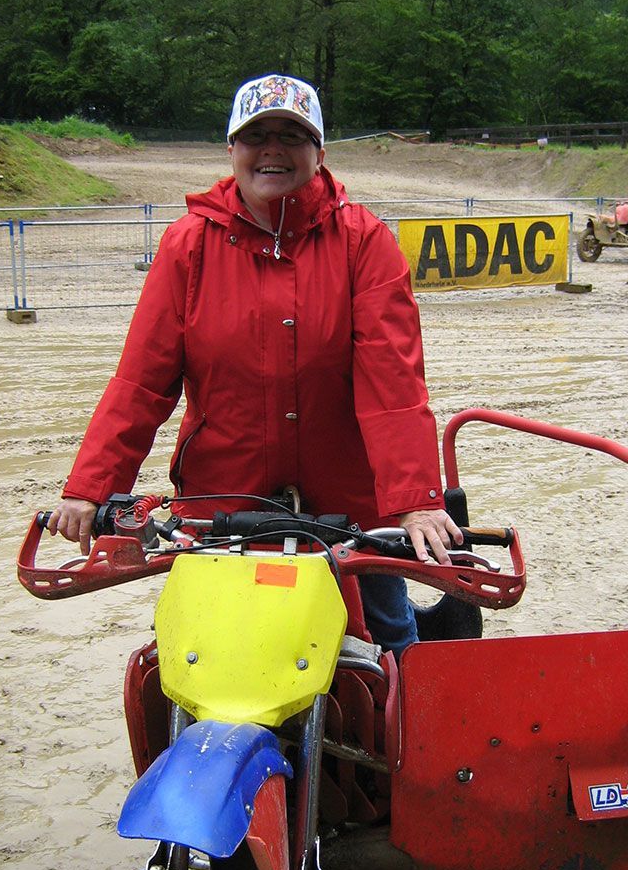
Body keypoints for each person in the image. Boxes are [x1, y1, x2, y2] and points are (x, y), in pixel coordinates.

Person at [47, 73, 460, 655]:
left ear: (319, 152)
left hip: (348, 505)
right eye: (256, 135)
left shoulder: (363, 242)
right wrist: (90, 488)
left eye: (291, 136)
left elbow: (392, 383)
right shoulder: (188, 245)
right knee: (199, 653)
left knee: (389, 639)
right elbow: (142, 381)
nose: (273, 150)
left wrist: (415, 501)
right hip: (221, 505)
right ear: (231, 149)